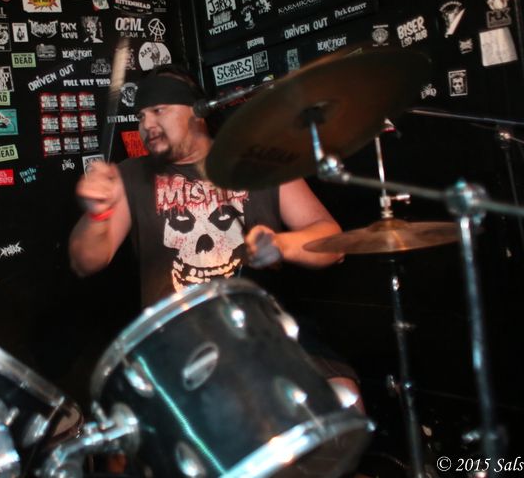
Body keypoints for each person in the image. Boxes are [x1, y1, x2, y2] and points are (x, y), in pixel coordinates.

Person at [69, 64, 363, 408]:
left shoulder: (258, 163)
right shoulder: (130, 176)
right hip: (181, 341)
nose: (147, 124)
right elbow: (85, 261)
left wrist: (283, 245)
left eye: (159, 110)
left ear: (197, 113)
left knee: (345, 398)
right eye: (141, 116)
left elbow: (332, 242)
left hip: (268, 327)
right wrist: (98, 214)